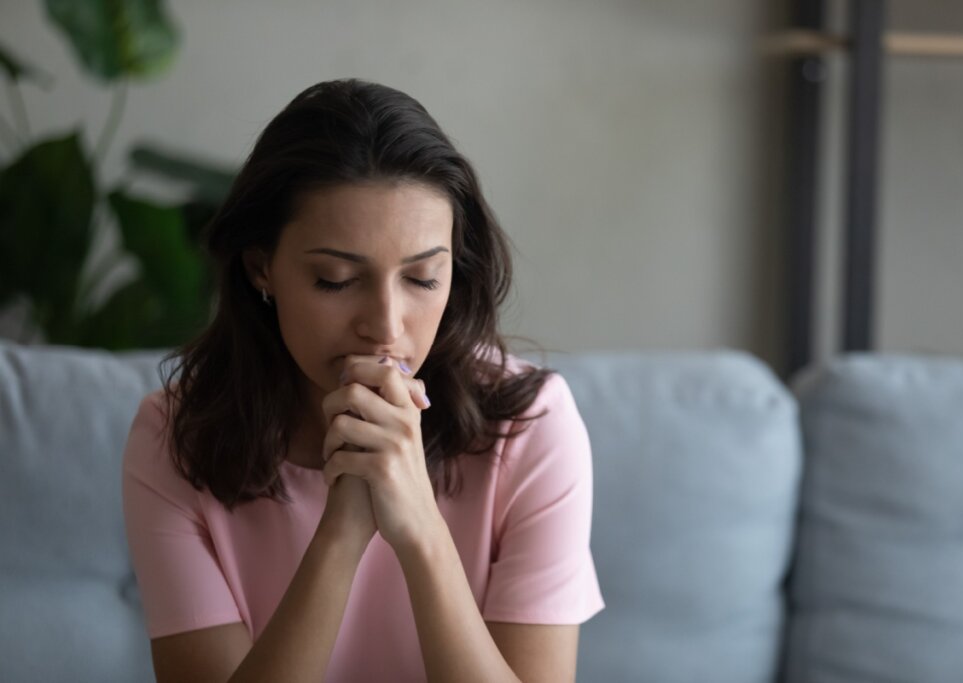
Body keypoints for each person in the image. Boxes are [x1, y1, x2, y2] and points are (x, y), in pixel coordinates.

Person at [121, 78, 604, 682]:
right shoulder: (176, 436)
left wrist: (421, 531)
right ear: (260, 269)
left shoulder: (530, 427)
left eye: (423, 279)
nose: (384, 327)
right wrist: (343, 530)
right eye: (335, 280)